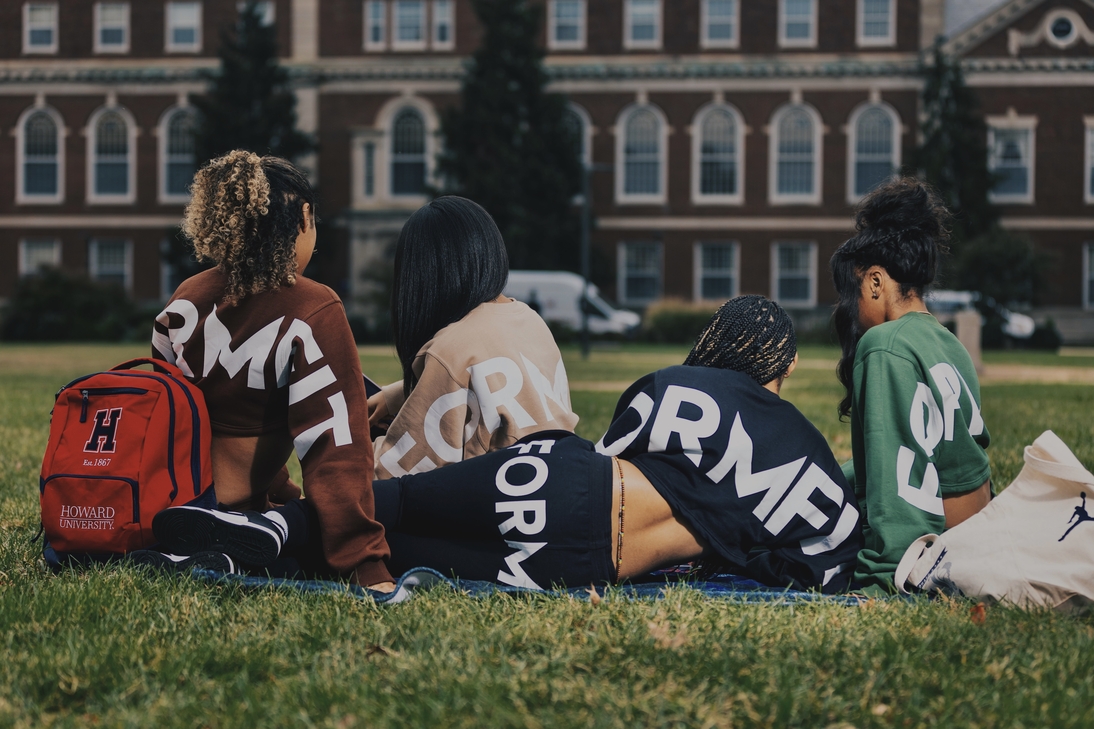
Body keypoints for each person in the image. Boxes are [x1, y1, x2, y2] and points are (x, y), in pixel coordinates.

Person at [151, 296, 862, 594]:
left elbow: (609, 452)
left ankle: (261, 527)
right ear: (786, 370)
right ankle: (257, 557)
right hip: (584, 567)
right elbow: (816, 569)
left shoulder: (680, 385)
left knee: (385, 505)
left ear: (714, 340)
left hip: (568, 488)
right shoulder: (813, 466)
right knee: (401, 555)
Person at [146, 150, 393, 590]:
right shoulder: (313, 307)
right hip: (236, 509)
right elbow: (336, 448)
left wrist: (279, 492)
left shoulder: (185, 298)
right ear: (302, 218)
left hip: (168, 504)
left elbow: (184, 415)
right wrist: (365, 566)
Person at [830, 177, 992, 592]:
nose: (847, 308)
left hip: (937, 550)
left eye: (849, 293)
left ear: (875, 282)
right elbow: (933, 448)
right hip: (976, 531)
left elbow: (898, 485)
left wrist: (883, 581)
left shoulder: (883, 346)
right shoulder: (947, 342)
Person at [367, 196, 579, 479]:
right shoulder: (530, 320)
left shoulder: (451, 349)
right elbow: (502, 381)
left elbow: (393, 473)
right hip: (559, 483)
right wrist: (398, 395)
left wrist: (355, 447)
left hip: (504, 503)